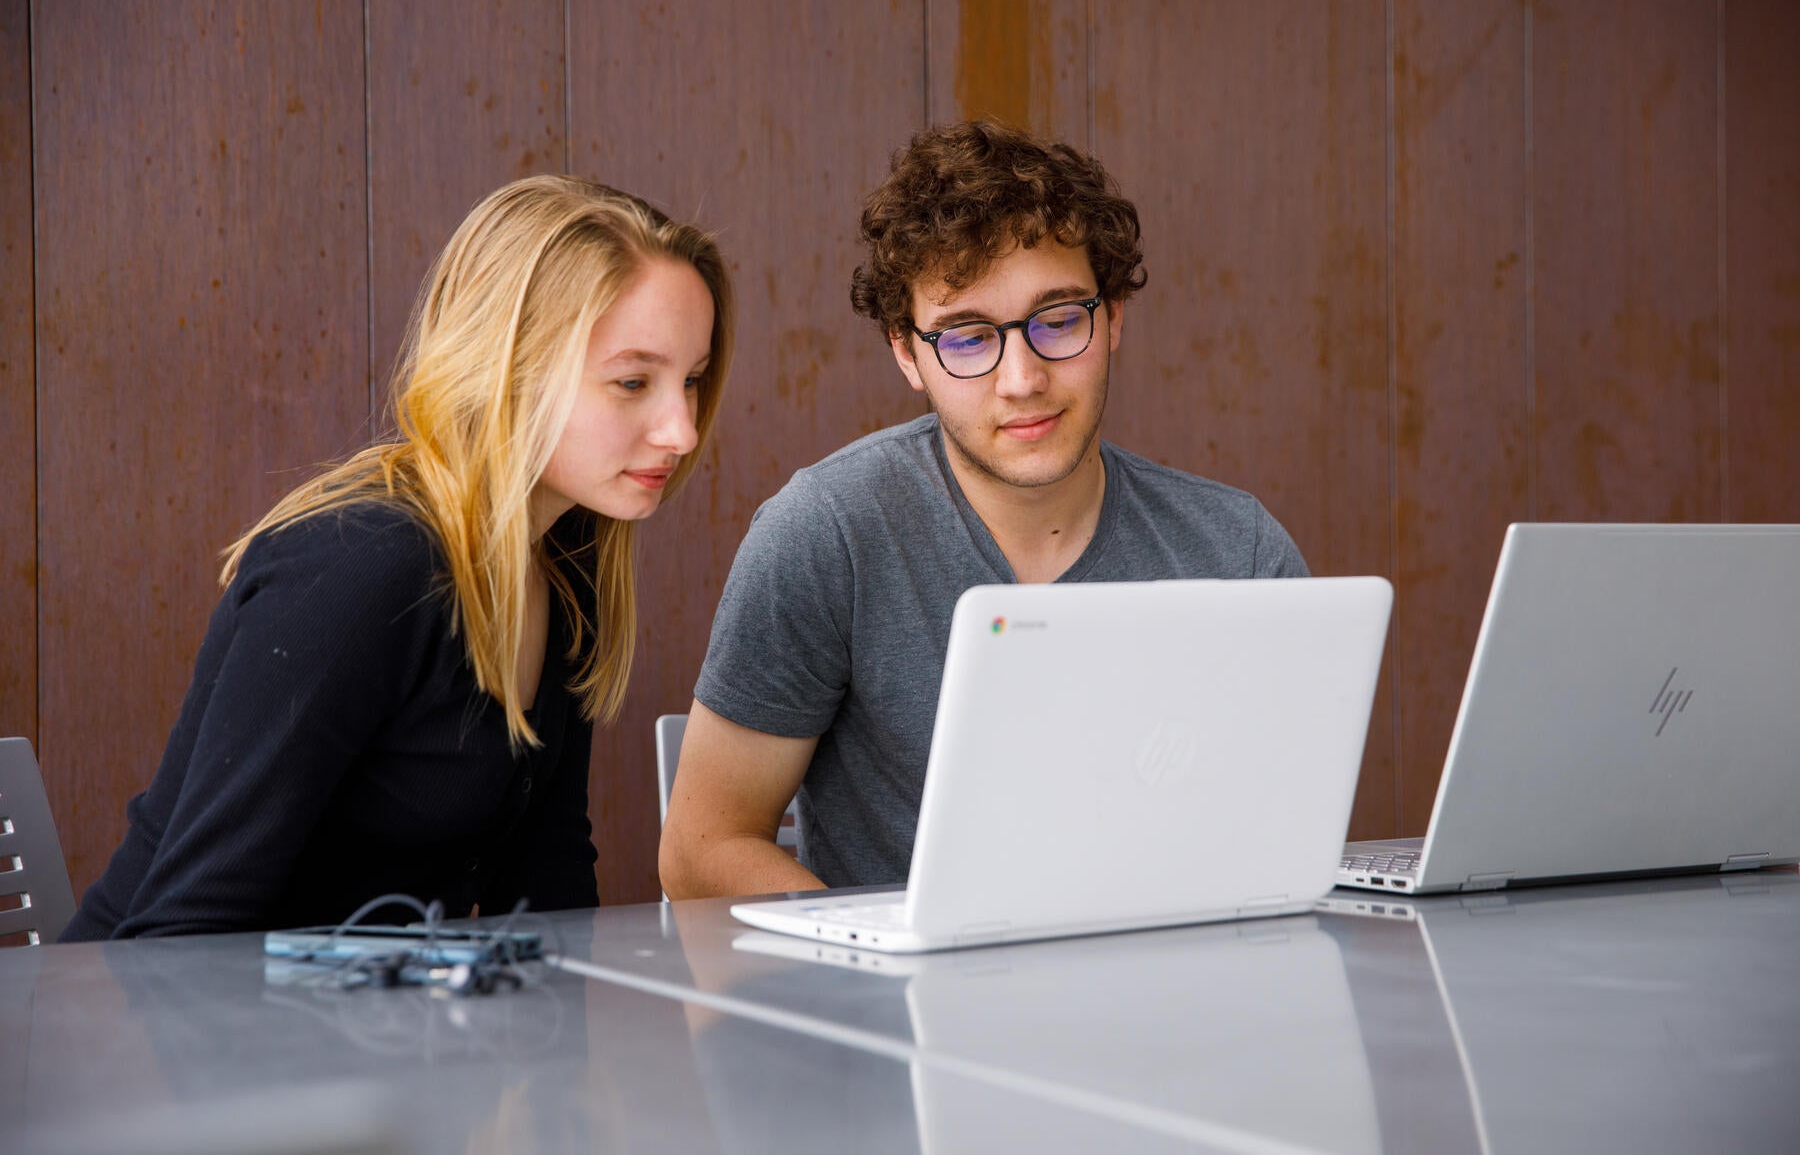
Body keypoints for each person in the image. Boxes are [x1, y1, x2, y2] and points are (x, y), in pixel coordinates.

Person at [64, 176, 733, 939]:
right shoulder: (363, 570)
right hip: (161, 1033)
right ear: (504, 367)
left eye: (692, 381)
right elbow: (178, 938)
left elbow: (546, 889)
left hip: (382, 1038)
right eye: (633, 382)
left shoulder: (565, 562)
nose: (681, 431)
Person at [659, 120, 1304, 900]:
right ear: (907, 353)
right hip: (902, 1011)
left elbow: (1281, 841)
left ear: (1114, 319)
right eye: (967, 338)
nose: (1022, 378)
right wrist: (891, 966)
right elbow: (700, 852)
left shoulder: (1239, 554)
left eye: (1059, 320)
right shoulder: (827, 533)